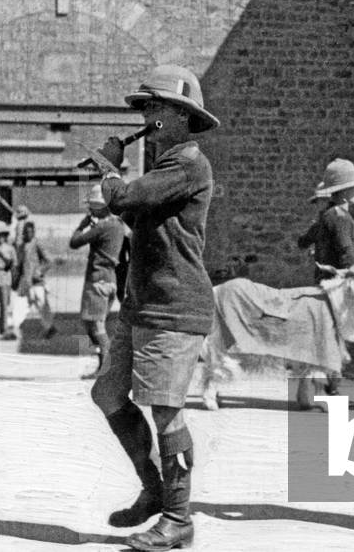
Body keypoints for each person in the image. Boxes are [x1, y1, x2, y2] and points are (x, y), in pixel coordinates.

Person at [89, 64, 218, 551]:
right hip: (144, 305)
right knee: (108, 394)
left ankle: (178, 517)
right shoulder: (167, 166)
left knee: (166, 411)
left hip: (176, 307)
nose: (149, 116)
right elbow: (126, 203)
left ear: (184, 117)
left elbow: (125, 196)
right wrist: (113, 180)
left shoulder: (186, 163)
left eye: (158, 108)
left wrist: (108, 167)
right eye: (146, 108)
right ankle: (155, 489)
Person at [296, 157, 354, 405]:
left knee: (321, 336)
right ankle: (332, 391)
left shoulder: (326, 216)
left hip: (323, 284)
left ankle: (308, 392)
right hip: (336, 287)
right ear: (345, 190)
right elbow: (348, 253)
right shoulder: (340, 218)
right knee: (334, 338)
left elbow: (302, 241)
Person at [70, 184, 125, 380]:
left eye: (92, 206)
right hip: (110, 279)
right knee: (93, 323)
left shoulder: (102, 227)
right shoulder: (118, 226)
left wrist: (83, 224)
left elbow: (74, 242)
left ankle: (106, 369)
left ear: (100, 207)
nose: (90, 210)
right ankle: (104, 366)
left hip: (97, 279)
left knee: (97, 327)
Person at [13, 221, 55, 338]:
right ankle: (15, 329)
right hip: (25, 282)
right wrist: (16, 280)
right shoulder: (21, 247)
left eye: (30, 232)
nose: (28, 234)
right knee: (20, 306)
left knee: (43, 306)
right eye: (26, 232)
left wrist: (40, 271)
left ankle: (49, 328)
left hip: (37, 283)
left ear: (34, 232)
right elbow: (19, 265)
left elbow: (49, 261)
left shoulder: (37, 244)